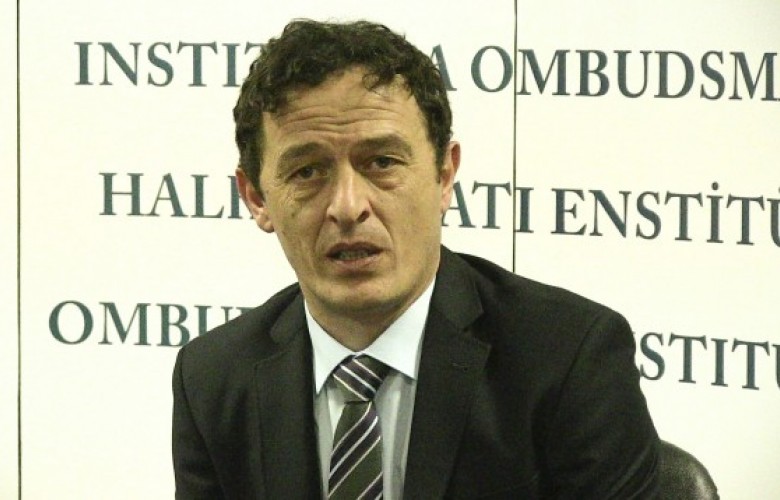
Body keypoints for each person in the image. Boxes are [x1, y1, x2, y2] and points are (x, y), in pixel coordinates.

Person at [172, 19, 659, 499]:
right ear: (256, 198)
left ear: (444, 176)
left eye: (381, 162)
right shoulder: (213, 380)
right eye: (307, 171)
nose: (348, 207)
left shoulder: (568, 361)